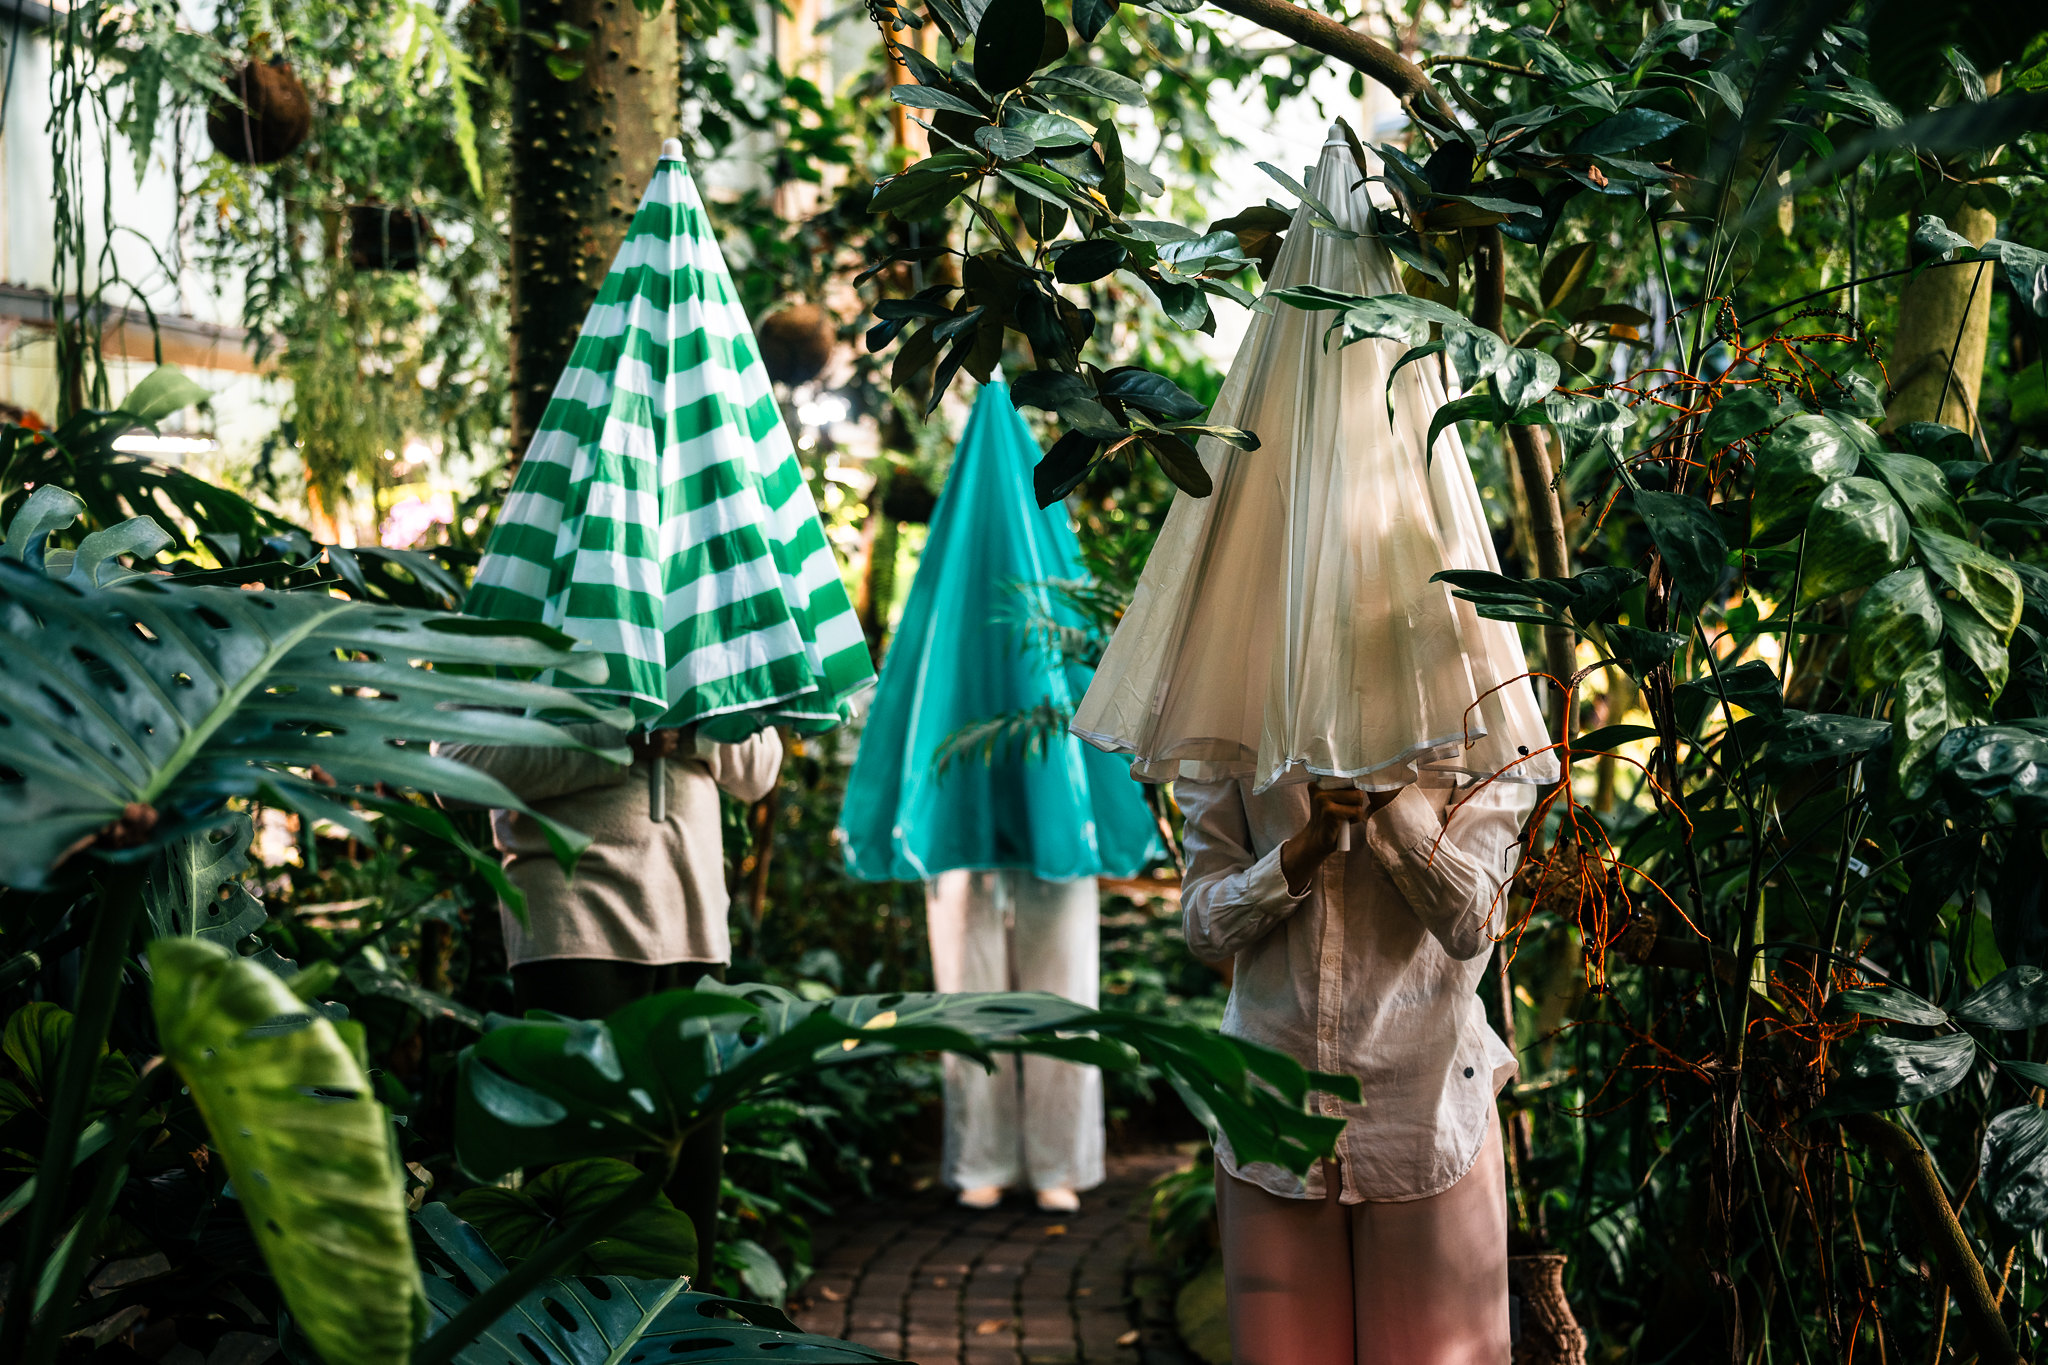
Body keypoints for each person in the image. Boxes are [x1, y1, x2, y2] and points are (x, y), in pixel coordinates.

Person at [1174, 771, 1533, 1365]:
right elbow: (1203, 924)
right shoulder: (1235, 703)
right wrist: (1301, 851)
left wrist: (1395, 803)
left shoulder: (1479, 711)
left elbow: (1476, 924)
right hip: (1275, 1108)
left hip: (1426, 1108)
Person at [435, 722, 782, 1278]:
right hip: (572, 927)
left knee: (687, 1217)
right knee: (585, 1219)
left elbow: (759, 772)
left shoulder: (704, 635)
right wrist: (618, 737)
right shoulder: (520, 635)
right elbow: (455, 762)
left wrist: (695, 727)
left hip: (695, 928)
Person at [924, 868, 1103, 1212]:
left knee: (1063, 1000)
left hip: (1056, 830)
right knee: (969, 998)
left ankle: (1059, 1166)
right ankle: (979, 1161)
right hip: (961, 832)